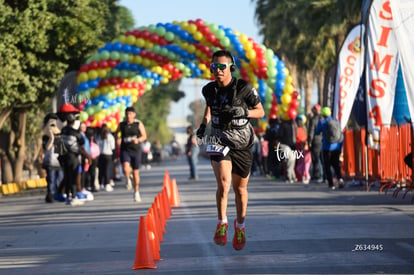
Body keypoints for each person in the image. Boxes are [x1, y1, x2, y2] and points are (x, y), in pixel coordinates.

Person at [196, 50, 264, 251]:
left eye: (221, 67)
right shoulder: (208, 89)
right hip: (218, 138)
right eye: (214, 67)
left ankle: (240, 226)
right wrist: (203, 124)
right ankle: (222, 222)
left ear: (231, 68)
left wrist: (244, 111)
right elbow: (210, 106)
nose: (217, 71)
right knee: (224, 184)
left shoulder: (244, 88)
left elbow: (261, 111)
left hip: (242, 142)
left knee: (240, 189)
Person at [115, 106, 147, 202]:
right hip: (125, 149)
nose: (128, 116)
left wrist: (138, 140)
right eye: (127, 114)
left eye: (130, 114)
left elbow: (144, 136)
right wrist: (118, 139)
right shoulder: (122, 125)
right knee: (125, 167)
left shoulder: (138, 124)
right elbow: (116, 133)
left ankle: (136, 192)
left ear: (134, 115)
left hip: (136, 150)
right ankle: (128, 179)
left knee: (136, 173)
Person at [60, 112, 92, 205]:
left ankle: (68, 196)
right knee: (74, 177)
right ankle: (73, 196)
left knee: (67, 176)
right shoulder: (75, 133)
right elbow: (81, 146)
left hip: (64, 157)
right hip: (73, 157)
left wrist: (60, 157)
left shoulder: (62, 131)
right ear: (74, 121)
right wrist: (88, 157)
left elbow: (58, 145)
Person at [315, 106, 344, 190]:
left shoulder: (322, 122)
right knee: (336, 164)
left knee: (327, 165)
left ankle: (331, 184)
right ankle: (340, 178)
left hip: (326, 147)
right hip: (337, 147)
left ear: (323, 114)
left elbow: (317, 132)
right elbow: (341, 134)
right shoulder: (336, 122)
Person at [42, 113, 65, 203]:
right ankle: (50, 194)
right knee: (51, 179)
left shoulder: (59, 136)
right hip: (50, 162)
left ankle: (58, 194)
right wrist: (51, 137)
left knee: (60, 178)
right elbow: (47, 147)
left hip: (59, 162)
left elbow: (61, 150)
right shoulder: (45, 137)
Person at [97, 124, 116, 192]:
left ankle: (100, 183)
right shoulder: (110, 137)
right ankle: (107, 183)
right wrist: (114, 156)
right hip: (108, 154)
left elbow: (97, 145)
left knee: (101, 169)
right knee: (107, 169)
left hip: (100, 155)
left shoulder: (99, 136)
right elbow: (113, 147)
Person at [307, 104, 324, 182]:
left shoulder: (313, 119)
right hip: (323, 141)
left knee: (315, 159)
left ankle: (316, 175)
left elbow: (311, 131)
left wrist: (309, 141)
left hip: (315, 141)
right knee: (322, 159)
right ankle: (323, 175)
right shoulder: (323, 118)